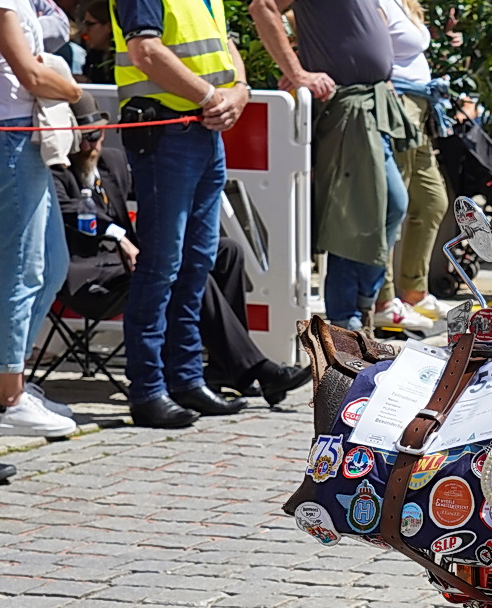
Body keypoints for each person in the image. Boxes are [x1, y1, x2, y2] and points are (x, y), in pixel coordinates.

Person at [107, 0, 251, 429]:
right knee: (162, 265)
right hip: (167, 133)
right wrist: (210, 98)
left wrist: (238, 90)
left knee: (196, 263)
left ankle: (187, 378)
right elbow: (145, 50)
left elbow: (224, 45)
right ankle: (148, 389)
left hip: (200, 132)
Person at [249, 0, 416, 336]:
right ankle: (345, 319)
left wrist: (300, 60)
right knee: (356, 215)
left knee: (387, 207)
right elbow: (265, 5)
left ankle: (359, 308)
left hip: (372, 104)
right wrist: (298, 71)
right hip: (349, 110)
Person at [51, 126, 310, 405]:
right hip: (90, 274)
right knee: (187, 270)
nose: (88, 146)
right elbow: (68, 212)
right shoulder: (55, 169)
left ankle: (224, 368)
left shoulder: (111, 161)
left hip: (132, 261)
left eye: (95, 136)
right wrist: (119, 235)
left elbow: (156, 191)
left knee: (226, 252)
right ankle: (257, 369)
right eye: (82, 138)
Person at [0, 0, 81, 440]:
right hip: (6, 137)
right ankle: (8, 396)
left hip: (24, 138)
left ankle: (10, 378)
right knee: (20, 268)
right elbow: (29, 72)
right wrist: (71, 89)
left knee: (49, 264)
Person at [362, 0, 449, 328]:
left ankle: (412, 291)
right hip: (397, 107)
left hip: (420, 107)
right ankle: (384, 301)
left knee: (431, 201)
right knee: (392, 206)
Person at [76, 0, 114, 84]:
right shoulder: (93, 56)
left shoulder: (123, 57)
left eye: (90, 24)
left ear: (108, 26)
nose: (85, 31)